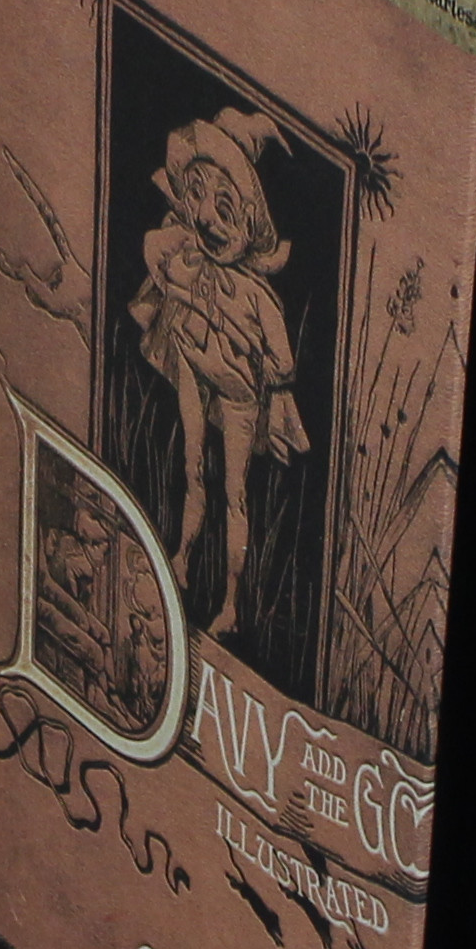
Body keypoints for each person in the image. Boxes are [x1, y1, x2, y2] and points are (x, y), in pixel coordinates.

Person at [131, 112, 310, 639]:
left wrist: (259, 363)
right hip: (193, 365)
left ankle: (230, 603)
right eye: (197, 195)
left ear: (250, 222)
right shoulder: (185, 257)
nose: (207, 216)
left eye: (225, 207)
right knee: (191, 467)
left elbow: (283, 363)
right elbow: (160, 270)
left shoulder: (256, 297)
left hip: (237, 396)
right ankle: (181, 557)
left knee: (234, 493)